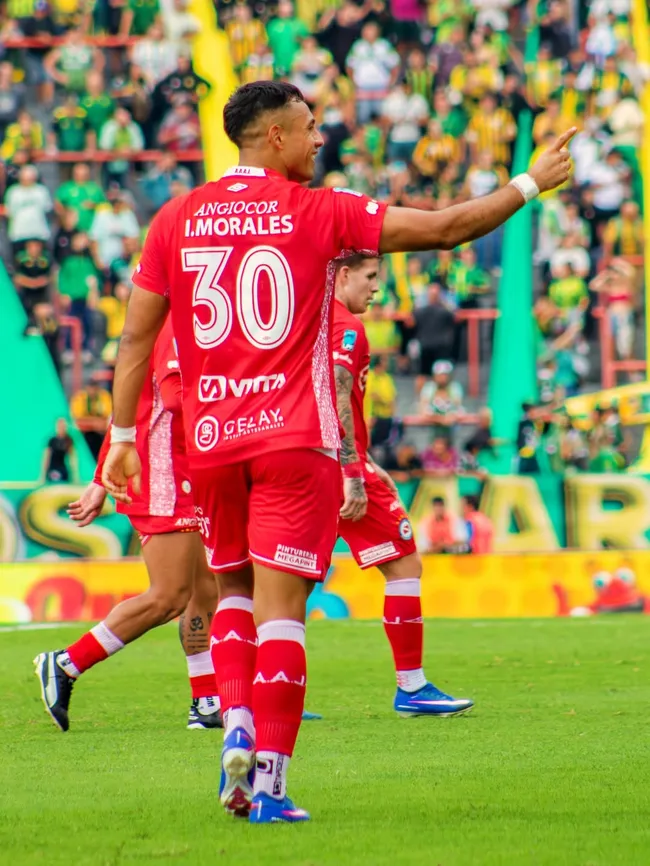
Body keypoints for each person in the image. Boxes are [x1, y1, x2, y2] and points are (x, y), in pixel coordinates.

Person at [100, 81, 573, 823]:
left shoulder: (175, 217)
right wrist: (528, 183)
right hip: (294, 440)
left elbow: (133, 338)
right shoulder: (322, 209)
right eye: (310, 127)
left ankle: (234, 724)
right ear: (276, 136)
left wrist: (123, 437)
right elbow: (448, 228)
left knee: (229, 593)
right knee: (284, 613)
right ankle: (271, 786)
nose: (321, 139)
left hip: (211, 443)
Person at [34, 317, 222, 733]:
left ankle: (206, 700)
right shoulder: (178, 325)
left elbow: (129, 411)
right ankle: (66, 663)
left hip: (186, 469)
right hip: (164, 474)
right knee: (169, 595)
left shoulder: (181, 322)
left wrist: (101, 478)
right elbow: (177, 402)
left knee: (204, 588)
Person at [332, 253, 473, 717]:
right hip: (336, 467)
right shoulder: (346, 329)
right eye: (371, 278)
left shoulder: (303, 323)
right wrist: (355, 471)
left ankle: (244, 697)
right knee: (404, 564)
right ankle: (411, 687)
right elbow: (335, 395)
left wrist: (367, 457)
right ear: (344, 274)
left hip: (296, 463)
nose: (377, 289)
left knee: (281, 584)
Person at [41, 418, 78, 483]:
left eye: (64, 426)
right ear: (57, 427)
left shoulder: (69, 440)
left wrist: (75, 476)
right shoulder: (52, 441)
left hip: (63, 470)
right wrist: (42, 476)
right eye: (60, 426)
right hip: (53, 470)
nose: (62, 428)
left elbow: (72, 459)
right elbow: (46, 458)